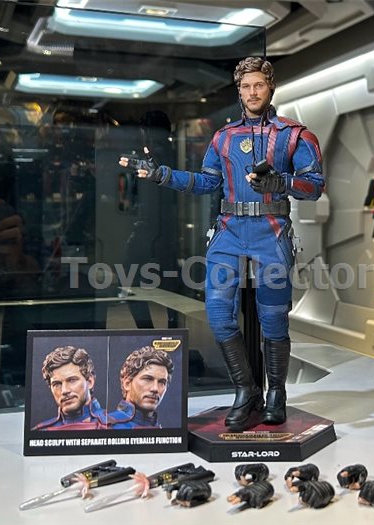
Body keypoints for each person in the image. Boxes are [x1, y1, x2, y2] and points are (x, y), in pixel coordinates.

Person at [119, 57, 324, 431]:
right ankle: (246, 390)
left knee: (273, 316)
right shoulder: (224, 137)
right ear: (239, 91)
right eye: (245, 86)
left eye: (258, 85)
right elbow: (207, 182)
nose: (252, 92)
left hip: (271, 230)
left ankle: (276, 394)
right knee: (217, 313)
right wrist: (161, 175)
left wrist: (281, 182)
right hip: (228, 230)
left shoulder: (294, 134)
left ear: (270, 87)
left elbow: (314, 186)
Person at [32, 345, 106, 430]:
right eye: (57, 384)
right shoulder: (41, 432)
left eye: (72, 380)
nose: (64, 390)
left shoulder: (114, 425)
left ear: (90, 382)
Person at [108, 346, 173, 429]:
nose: (155, 388)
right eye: (148, 379)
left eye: (162, 382)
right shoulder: (104, 427)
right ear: (127, 384)